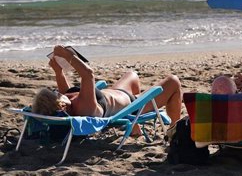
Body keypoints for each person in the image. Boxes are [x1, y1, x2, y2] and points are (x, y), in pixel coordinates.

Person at [32, 45, 183, 128]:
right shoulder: (83, 107)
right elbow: (88, 74)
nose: (57, 91)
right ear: (61, 106)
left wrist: (58, 72)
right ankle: (175, 129)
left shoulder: (70, 102)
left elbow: (66, 90)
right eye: (55, 94)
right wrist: (67, 55)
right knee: (173, 81)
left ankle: (135, 129)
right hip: (133, 106)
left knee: (132, 74)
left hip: (118, 92)